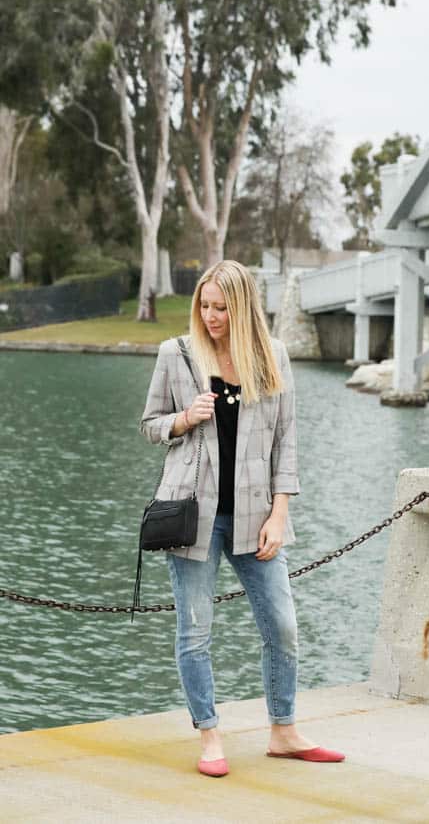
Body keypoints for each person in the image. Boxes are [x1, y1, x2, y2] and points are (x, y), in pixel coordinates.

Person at [140, 260, 344, 777]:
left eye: (221, 307)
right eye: (204, 306)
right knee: (195, 632)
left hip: (256, 519)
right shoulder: (177, 355)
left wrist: (280, 514)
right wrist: (185, 419)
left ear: (243, 307)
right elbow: (149, 425)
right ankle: (210, 736)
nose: (211, 316)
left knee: (283, 626)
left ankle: (284, 731)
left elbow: (286, 444)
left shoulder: (272, 357)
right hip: (193, 518)